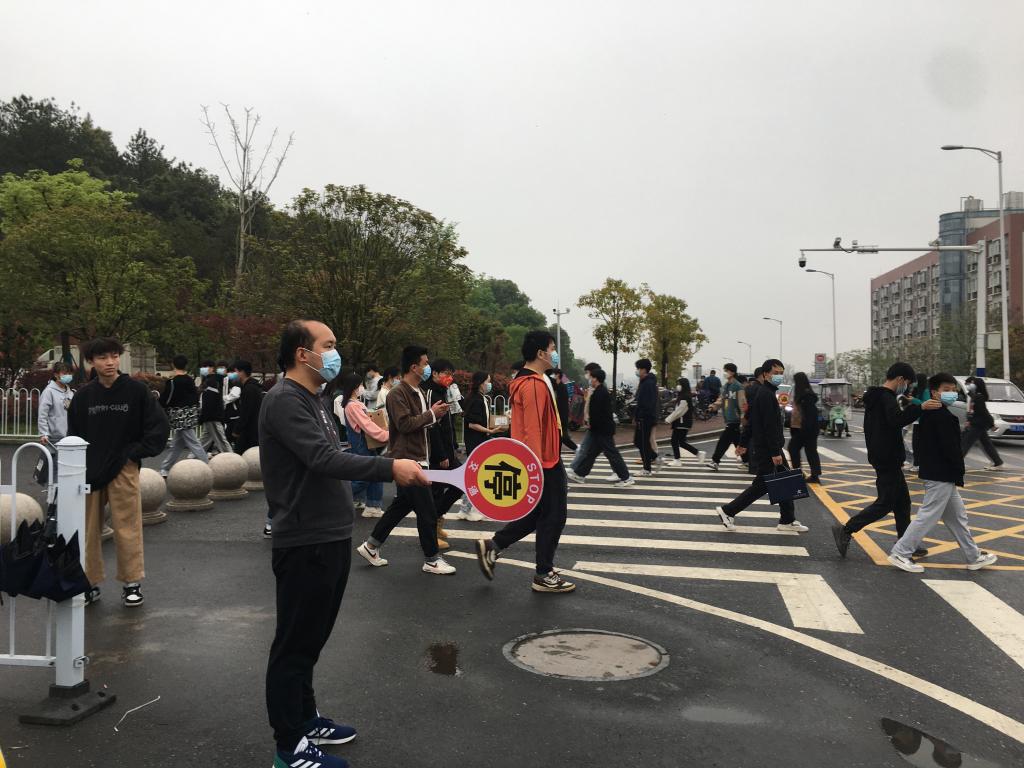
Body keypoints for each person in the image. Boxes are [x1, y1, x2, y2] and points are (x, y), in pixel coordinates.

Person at [260, 320, 428, 768]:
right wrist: (391, 468)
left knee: (311, 640)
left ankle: (305, 719)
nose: (335, 353)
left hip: (330, 534)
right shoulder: (284, 400)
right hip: (305, 539)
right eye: (328, 345)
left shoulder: (313, 398)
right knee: (294, 645)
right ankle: (288, 746)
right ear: (303, 353)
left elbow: (329, 458)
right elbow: (323, 459)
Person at [68, 337, 169, 607]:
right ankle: (88, 582)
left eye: (114, 356)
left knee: (128, 527)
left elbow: (158, 426)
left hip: (123, 468)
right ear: (91, 361)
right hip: (89, 471)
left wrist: (134, 453)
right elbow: (73, 435)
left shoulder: (136, 391)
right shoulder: (83, 397)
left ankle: (132, 583)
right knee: (88, 530)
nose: (110, 362)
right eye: (103, 358)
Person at [476, 330, 575, 593]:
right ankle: (543, 573)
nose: (554, 353)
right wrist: (535, 468)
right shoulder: (533, 385)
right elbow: (532, 429)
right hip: (544, 462)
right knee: (554, 516)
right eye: (552, 348)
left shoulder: (533, 380)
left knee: (541, 514)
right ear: (541, 353)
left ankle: (494, 546)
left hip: (545, 458)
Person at [356, 346, 454, 574]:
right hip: (408, 459)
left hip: (420, 458)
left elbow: (421, 424)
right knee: (427, 512)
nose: (428, 367)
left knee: (401, 506)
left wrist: (433, 416)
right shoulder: (397, 394)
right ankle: (431, 559)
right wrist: (432, 414)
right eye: (425, 363)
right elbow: (404, 424)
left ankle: (371, 546)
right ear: (414, 367)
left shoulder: (418, 391)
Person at [886, 373, 998, 573]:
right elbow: (951, 449)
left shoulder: (933, 414)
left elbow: (923, 445)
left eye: (953, 390)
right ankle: (901, 552)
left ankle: (973, 556)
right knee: (928, 515)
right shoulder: (941, 416)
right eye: (946, 390)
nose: (951, 393)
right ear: (935, 392)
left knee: (957, 517)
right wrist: (958, 470)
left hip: (939, 473)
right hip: (941, 474)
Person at [832, 362, 939, 558]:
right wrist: (920, 408)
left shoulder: (876, 397)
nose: (906, 387)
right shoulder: (886, 397)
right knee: (886, 502)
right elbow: (896, 420)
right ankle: (846, 529)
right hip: (887, 457)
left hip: (883, 455)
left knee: (903, 503)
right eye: (907, 383)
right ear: (900, 379)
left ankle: (905, 542)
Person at [716, 359, 809, 533]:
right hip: (768, 449)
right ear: (765, 374)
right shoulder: (766, 395)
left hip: (768, 447)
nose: (779, 376)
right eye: (775, 373)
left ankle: (787, 520)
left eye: (781, 373)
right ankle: (728, 511)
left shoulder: (766, 393)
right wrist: (775, 452)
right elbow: (768, 426)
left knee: (784, 481)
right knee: (762, 485)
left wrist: (743, 443)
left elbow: (751, 421)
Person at [336, 373, 390, 519]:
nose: (362, 388)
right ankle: (337, 497)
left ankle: (372, 506)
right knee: (364, 477)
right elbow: (367, 425)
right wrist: (385, 435)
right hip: (362, 445)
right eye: (360, 385)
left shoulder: (354, 404)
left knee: (373, 473)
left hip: (363, 444)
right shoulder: (352, 405)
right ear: (354, 387)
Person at [567, 369, 634, 487]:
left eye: (591, 377)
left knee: (612, 453)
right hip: (600, 429)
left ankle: (626, 477)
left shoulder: (600, 393)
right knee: (592, 453)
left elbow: (598, 414)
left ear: (596, 379)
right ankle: (580, 474)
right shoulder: (599, 391)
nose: (590, 379)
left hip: (603, 429)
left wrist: (590, 424)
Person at [424, 358, 464, 549]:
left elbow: (447, 424)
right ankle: (431, 531)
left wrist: (453, 447)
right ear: (435, 373)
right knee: (437, 491)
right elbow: (432, 427)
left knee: (459, 484)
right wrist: (441, 455)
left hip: (447, 452)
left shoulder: (442, 391)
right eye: (446, 374)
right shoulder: (431, 393)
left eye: (451, 374)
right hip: (436, 455)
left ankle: (437, 521)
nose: (450, 378)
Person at [159, 355, 210, 476]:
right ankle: (165, 468)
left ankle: (208, 466)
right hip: (190, 414)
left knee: (193, 442)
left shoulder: (172, 382)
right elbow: (195, 396)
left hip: (178, 416)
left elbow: (166, 399)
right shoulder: (190, 380)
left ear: (173, 364)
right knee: (177, 444)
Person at [454, 371, 493, 522]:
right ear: (481, 382)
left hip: (478, 441)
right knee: (474, 476)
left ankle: (467, 508)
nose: (489, 384)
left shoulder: (480, 398)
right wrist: (489, 431)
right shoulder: (476, 400)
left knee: (475, 476)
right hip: (475, 442)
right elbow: (472, 424)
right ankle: (466, 509)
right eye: (487, 381)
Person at [706, 363, 744, 471]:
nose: (725, 373)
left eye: (726, 371)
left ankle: (715, 461)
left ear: (732, 372)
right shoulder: (725, 386)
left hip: (735, 420)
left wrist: (743, 417)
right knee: (738, 442)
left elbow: (742, 403)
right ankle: (747, 461)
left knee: (723, 441)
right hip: (729, 419)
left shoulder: (738, 386)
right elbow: (721, 400)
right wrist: (712, 407)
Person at [961, 376, 1003, 469]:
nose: (969, 385)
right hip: (977, 423)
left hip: (978, 424)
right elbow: (973, 411)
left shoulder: (979, 397)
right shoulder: (975, 396)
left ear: (977, 385)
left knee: (965, 443)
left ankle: (956, 463)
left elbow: (983, 412)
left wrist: (992, 424)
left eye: (972, 383)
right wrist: (969, 420)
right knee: (986, 443)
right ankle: (997, 462)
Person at [787, 372, 822, 483]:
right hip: (803, 429)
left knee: (796, 449)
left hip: (806, 429)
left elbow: (809, 415)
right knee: (809, 451)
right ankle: (811, 474)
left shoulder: (806, 396)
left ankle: (801, 474)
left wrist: (805, 429)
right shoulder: (803, 394)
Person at [665, 377, 704, 466]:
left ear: (683, 385)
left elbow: (679, 411)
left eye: (679, 384)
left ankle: (678, 460)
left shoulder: (685, 397)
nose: (678, 386)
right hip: (682, 422)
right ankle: (698, 453)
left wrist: (668, 419)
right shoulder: (684, 395)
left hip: (682, 422)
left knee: (675, 441)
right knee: (681, 442)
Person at [38, 362, 74, 446]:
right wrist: (44, 433)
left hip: (69, 437)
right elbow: (43, 414)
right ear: (56, 375)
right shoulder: (49, 392)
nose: (68, 376)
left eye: (69, 373)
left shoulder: (70, 393)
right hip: (53, 438)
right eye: (64, 373)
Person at [633, 358, 658, 476]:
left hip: (646, 417)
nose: (637, 371)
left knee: (643, 442)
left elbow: (648, 403)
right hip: (642, 417)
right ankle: (654, 456)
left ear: (643, 370)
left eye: (638, 368)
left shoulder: (648, 383)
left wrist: (641, 416)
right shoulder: (644, 382)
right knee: (638, 441)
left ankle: (647, 469)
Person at [232, 360, 263, 454]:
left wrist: (237, 430)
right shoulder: (254, 387)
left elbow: (245, 412)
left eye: (235, 371)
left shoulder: (248, 389)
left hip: (249, 431)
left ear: (242, 372)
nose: (234, 374)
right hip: (255, 428)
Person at [199, 370, 232, 455]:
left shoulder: (208, 392)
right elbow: (210, 408)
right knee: (221, 438)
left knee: (205, 439)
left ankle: (195, 455)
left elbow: (205, 408)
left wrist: (202, 419)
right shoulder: (212, 393)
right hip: (214, 419)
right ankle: (230, 455)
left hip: (210, 419)